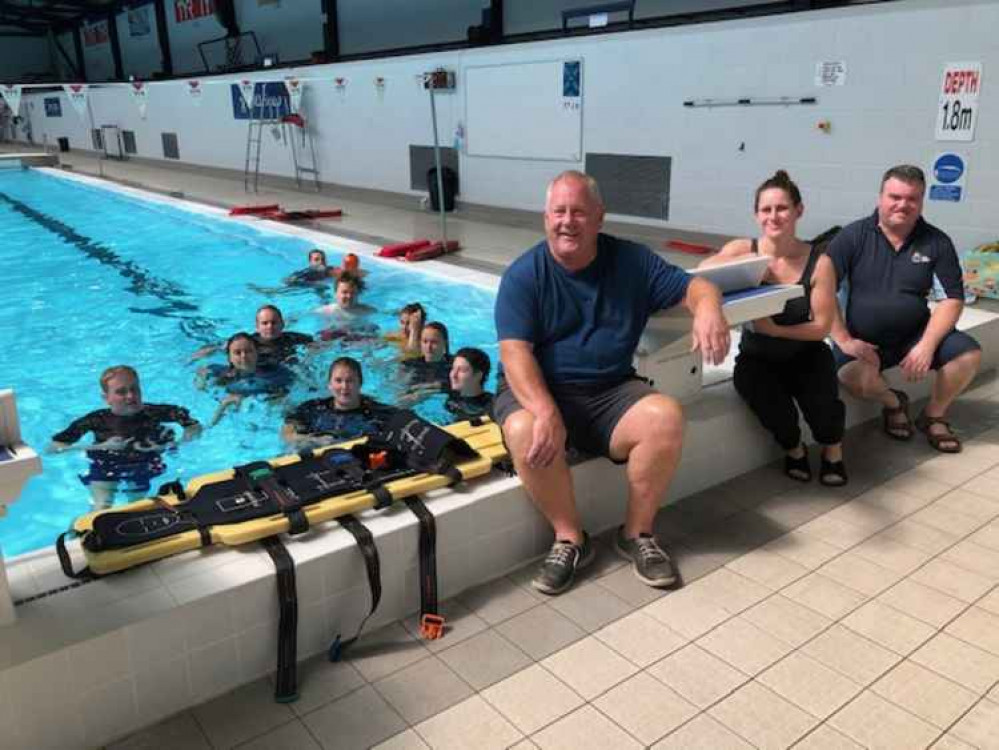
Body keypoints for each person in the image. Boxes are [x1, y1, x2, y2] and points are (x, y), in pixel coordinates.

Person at [495, 170, 729, 595]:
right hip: (540, 391)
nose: (567, 221)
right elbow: (514, 354)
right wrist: (546, 411)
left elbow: (696, 286)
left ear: (599, 217)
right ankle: (570, 539)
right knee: (523, 428)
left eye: (578, 212)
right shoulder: (524, 276)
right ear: (545, 217)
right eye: (558, 212)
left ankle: (637, 535)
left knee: (665, 417)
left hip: (609, 392)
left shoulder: (631, 262)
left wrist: (709, 308)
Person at [699, 170, 846, 485]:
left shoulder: (819, 262)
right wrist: (747, 268)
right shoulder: (743, 249)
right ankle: (794, 450)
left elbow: (821, 327)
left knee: (823, 407)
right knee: (763, 397)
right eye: (766, 210)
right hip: (758, 355)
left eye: (782, 208)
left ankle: (833, 452)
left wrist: (775, 330)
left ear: (798, 211)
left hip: (806, 352)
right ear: (756, 215)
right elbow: (701, 273)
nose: (773, 216)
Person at [828, 165, 981, 453]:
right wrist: (844, 339)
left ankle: (934, 415)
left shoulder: (936, 241)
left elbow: (952, 298)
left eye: (912, 198)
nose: (903, 204)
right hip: (863, 339)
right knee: (853, 378)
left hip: (915, 335)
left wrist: (926, 345)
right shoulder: (851, 237)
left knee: (969, 354)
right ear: (880, 197)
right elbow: (822, 291)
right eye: (895, 196)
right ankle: (894, 403)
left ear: (922, 200)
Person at [48, 365, 202, 510]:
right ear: (106, 397)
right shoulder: (95, 420)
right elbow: (54, 448)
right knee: (102, 506)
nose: (130, 396)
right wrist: (101, 447)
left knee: (140, 507)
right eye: (121, 392)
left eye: (135, 389)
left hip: (144, 465)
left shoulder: (158, 412)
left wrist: (177, 443)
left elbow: (194, 426)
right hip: (105, 466)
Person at [282, 357, 397, 447]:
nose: (344, 386)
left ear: (360, 383)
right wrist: (315, 440)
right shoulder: (312, 409)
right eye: (338, 381)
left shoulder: (379, 413)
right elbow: (288, 434)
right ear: (330, 385)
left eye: (350, 381)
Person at [197, 332, 294, 425]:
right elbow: (203, 373)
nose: (243, 356)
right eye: (237, 353)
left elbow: (284, 397)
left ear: (257, 353)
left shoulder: (276, 373)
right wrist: (201, 383)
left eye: (248, 351)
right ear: (229, 357)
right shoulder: (224, 373)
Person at [190, 305, 313, 367]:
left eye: (274, 322)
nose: (270, 326)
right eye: (265, 323)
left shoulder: (294, 338)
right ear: (257, 326)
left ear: (282, 324)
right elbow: (222, 347)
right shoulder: (249, 341)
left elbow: (316, 344)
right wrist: (201, 354)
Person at [314, 273, 380, 342]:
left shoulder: (368, 311)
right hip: (335, 335)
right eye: (345, 292)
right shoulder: (325, 311)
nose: (349, 296)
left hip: (359, 335)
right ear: (335, 293)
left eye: (353, 292)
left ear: (358, 293)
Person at [401, 321, 453, 393]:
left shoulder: (454, 365)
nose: (428, 347)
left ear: (445, 343)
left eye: (434, 342)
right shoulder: (409, 365)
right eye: (425, 341)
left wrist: (434, 386)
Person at [445, 347, 494, 421]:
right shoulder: (450, 402)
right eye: (453, 368)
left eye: (462, 370)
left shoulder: (493, 405)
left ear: (478, 375)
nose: (453, 375)